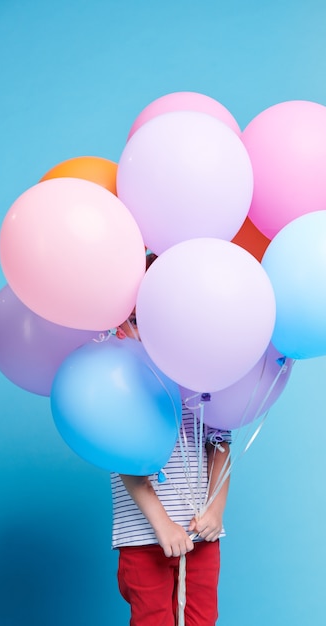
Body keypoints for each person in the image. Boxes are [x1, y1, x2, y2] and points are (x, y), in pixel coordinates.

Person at [111, 254, 231, 625]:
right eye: (134, 319)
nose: (145, 328)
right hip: (145, 536)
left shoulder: (199, 379)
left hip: (201, 533)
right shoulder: (117, 382)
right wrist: (162, 524)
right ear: (118, 325)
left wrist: (215, 511)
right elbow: (125, 456)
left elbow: (221, 445)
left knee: (201, 619)